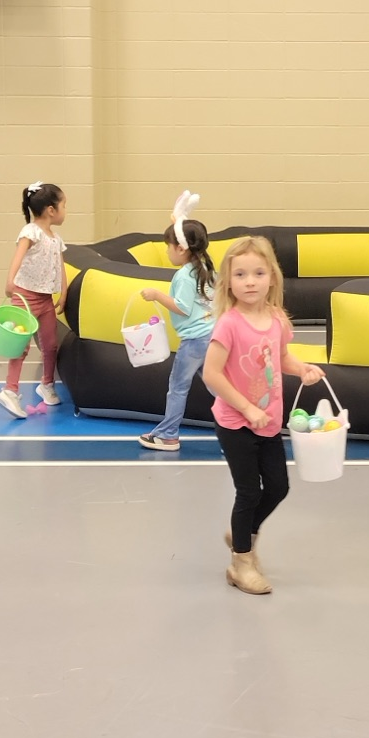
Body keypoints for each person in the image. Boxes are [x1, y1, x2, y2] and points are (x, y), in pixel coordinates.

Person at [203, 236, 324, 594]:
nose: (250, 281)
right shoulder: (229, 324)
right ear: (229, 281)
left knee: (278, 486)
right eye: (240, 275)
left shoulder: (276, 319)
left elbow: (279, 356)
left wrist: (302, 369)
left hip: (268, 419)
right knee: (248, 491)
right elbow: (211, 374)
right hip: (235, 421)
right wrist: (246, 407)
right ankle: (241, 562)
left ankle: (243, 531)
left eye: (258, 273)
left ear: (272, 276)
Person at [138, 218, 215, 452]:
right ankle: (240, 428)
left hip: (194, 341)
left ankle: (168, 434)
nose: (166, 251)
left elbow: (183, 307)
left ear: (180, 248)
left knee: (178, 387)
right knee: (217, 386)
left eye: (168, 245)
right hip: (212, 335)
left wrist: (156, 295)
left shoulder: (184, 275)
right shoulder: (203, 267)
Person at [0, 181, 67, 419]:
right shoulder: (31, 231)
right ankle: (10, 390)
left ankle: (47, 384)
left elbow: (60, 267)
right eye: (63, 205)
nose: (65, 210)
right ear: (50, 210)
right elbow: (19, 255)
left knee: (50, 345)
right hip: (25, 297)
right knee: (21, 346)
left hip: (45, 299)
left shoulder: (55, 238)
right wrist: (10, 281)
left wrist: (63, 292)